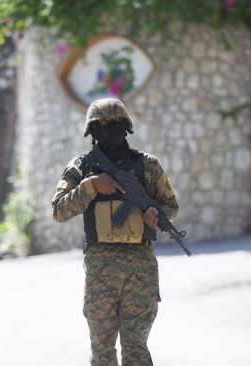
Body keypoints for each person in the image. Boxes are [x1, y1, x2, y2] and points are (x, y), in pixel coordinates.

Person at [51, 98, 179, 365]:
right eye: (103, 123)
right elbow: (59, 211)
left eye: (116, 122)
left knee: (136, 348)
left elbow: (170, 206)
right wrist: (91, 186)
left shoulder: (148, 165)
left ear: (126, 126)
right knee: (102, 349)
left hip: (140, 267)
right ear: (93, 130)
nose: (110, 127)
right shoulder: (81, 167)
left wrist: (156, 215)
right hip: (101, 267)